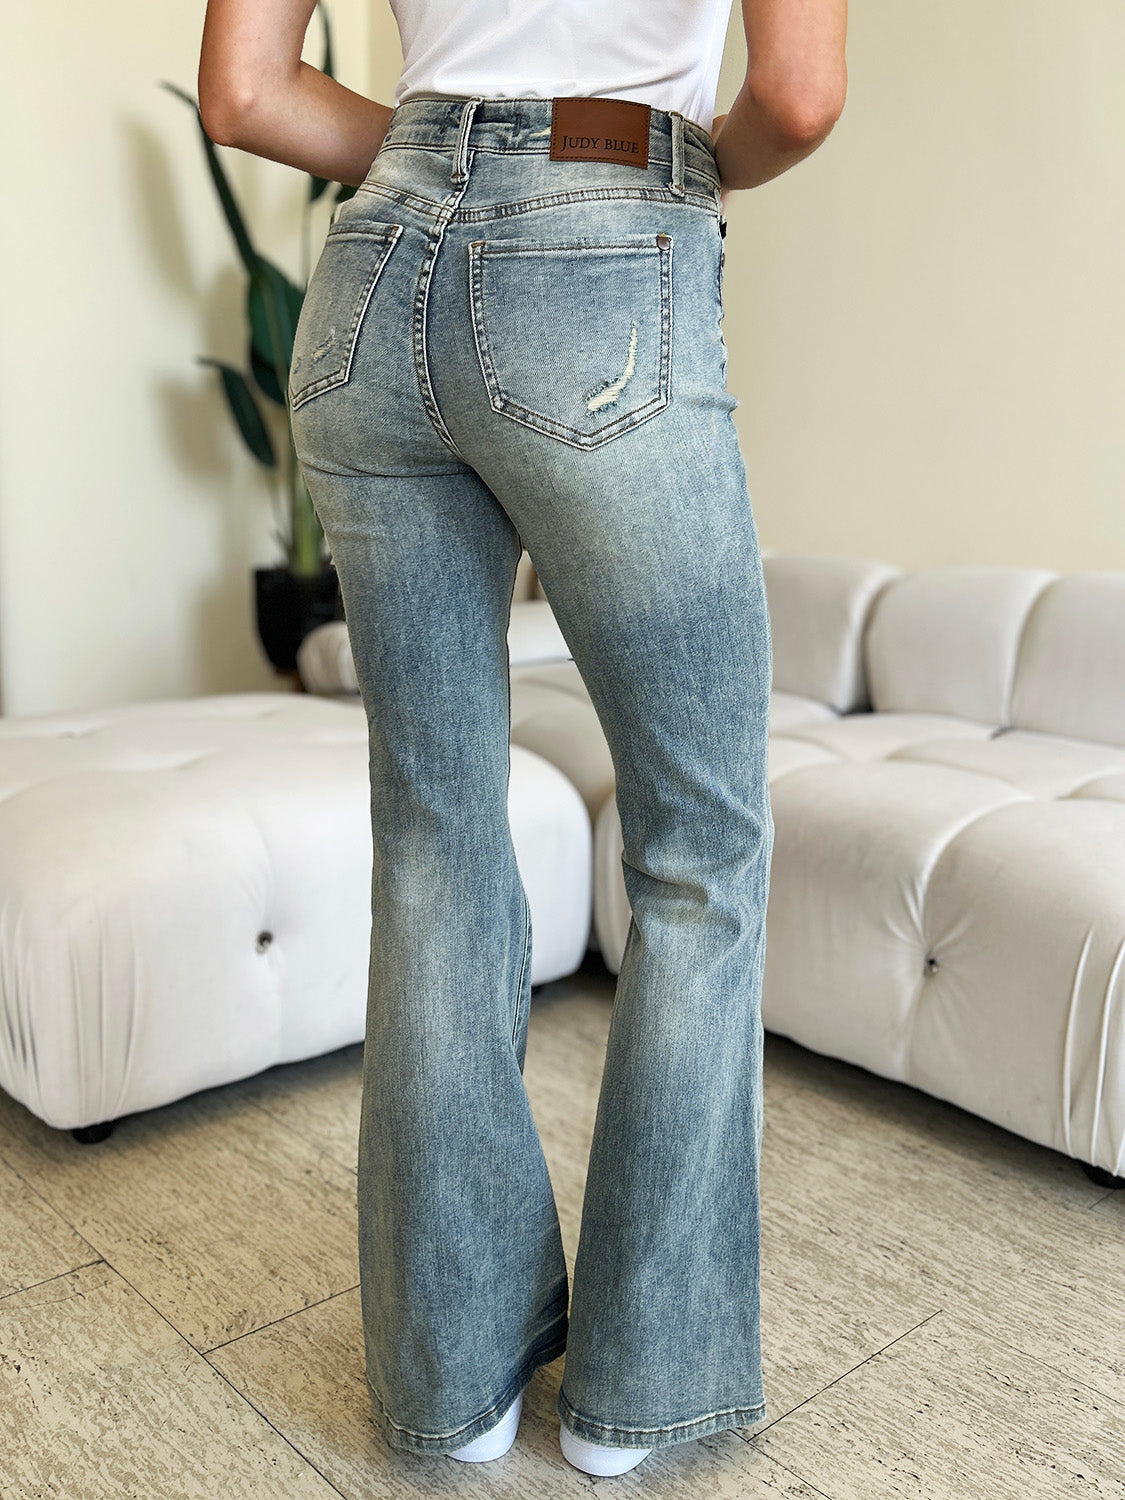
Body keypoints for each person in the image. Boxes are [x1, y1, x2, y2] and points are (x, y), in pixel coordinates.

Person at [199, 0, 847, 1478]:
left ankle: (457, 1385)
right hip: (606, 260)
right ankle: (636, 1394)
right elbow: (797, 99)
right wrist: (668, 164)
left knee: (432, 842)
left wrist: (448, 147)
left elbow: (241, 95)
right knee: (699, 855)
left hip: (370, 282)